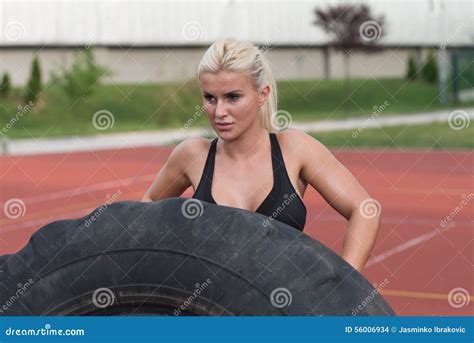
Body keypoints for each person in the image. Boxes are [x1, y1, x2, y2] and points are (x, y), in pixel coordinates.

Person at [142, 38, 380, 272]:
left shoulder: (295, 148)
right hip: (208, 307)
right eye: (210, 98)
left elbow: (364, 209)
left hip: (280, 307)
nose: (219, 112)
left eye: (233, 97)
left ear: (262, 94)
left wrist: (345, 287)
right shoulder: (192, 154)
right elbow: (145, 211)